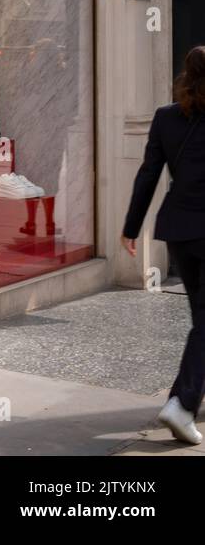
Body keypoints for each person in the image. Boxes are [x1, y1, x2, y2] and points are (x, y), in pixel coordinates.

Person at [123, 45, 205, 444]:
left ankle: (190, 397)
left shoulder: (166, 118)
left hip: (179, 232)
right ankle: (182, 403)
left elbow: (148, 175)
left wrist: (130, 227)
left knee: (202, 319)